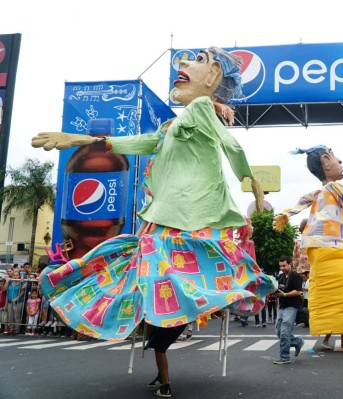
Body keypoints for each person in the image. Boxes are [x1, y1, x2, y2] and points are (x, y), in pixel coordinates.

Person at [33, 47, 277, 398]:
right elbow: (142, 142)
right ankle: (170, 313)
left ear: (212, 78)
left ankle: (222, 294)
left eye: (198, 60)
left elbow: (230, 145)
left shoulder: (199, 107)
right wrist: (85, 140)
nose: (183, 64)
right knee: (141, 261)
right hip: (168, 217)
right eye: (185, 59)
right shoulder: (172, 125)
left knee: (148, 263)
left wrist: (251, 183)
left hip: (183, 216)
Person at [273, 145, 343, 341]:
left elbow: (300, 203)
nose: (340, 162)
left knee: (327, 291)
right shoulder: (337, 189)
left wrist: (285, 214)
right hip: (335, 246)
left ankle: (329, 327)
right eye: (336, 158)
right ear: (326, 161)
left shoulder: (320, 192)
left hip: (320, 246)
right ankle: (339, 327)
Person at [273, 256, 304, 365]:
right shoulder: (280, 276)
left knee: (285, 332)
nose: (282, 268)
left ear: (290, 264)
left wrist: (285, 294)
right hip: (281, 306)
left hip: (291, 307)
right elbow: (278, 289)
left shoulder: (296, 276)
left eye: (284, 265)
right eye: (280, 266)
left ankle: (285, 357)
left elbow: (298, 291)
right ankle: (297, 342)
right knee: (278, 332)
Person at [3, 269, 25, 335]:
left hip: (18, 302)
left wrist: (17, 298)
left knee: (17, 316)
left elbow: (22, 291)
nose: (15, 276)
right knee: (10, 316)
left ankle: (17, 329)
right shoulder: (10, 282)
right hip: (10, 302)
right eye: (14, 275)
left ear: (19, 276)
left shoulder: (21, 282)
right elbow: (4, 289)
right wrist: (7, 281)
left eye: (17, 275)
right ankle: (11, 328)